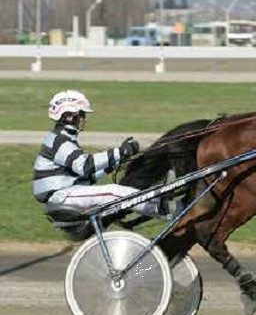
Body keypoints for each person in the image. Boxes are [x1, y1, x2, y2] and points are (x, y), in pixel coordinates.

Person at [33, 89, 177, 219]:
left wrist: (113, 165)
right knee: (113, 192)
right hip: (60, 197)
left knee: (115, 193)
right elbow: (85, 166)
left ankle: (164, 204)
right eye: (82, 114)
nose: (85, 119)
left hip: (64, 193)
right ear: (70, 117)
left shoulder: (63, 139)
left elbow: (87, 176)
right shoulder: (59, 141)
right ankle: (165, 208)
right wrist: (120, 152)